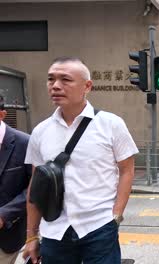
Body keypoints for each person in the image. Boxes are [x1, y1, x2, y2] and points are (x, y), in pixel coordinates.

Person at [23, 57, 139, 264]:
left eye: (65, 80)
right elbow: (36, 184)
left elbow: (127, 170)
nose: (56, 86)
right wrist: (31, 235)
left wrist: (116, 216)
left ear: (87, 86)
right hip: (54, 232)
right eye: (51, 80)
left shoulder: (111, 124)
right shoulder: (40, 132)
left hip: (99, 228)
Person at [0, 95, 31, 264]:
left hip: (6, 235)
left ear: (2, 115)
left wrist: (4, 214)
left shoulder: (24, 143)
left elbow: (35, 188)